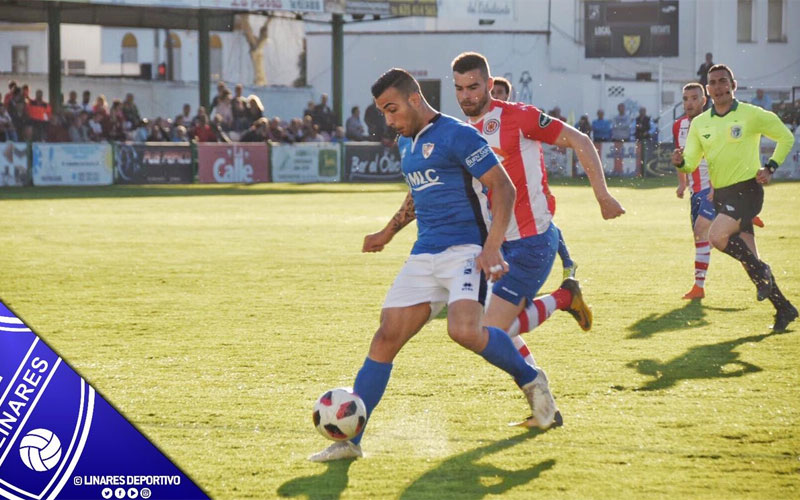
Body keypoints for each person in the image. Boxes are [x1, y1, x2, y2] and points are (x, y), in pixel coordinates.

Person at [310, 68, 556, 462]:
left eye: (392, 110)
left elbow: (503, 186)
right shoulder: (407, 143)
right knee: (386, 337)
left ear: (414, 98)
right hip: (425, 254)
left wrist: (492, 247)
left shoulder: (459, 134)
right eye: (382, 113)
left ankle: (532, 381)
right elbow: (418, 195)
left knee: (464, 332)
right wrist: (387, 233)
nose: (388, 120)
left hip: (465, 251)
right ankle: (349, 441)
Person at [450, 52, 625, 427]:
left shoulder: (518, 116)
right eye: (459, 88)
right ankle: (544, 408)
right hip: (496, 245)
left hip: (530, 243)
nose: (466, 95)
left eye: (473, 86)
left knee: (489, 332)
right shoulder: (461, 132)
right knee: (488, 329)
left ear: (489, 82)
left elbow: (580, 140)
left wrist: (603, 195)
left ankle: (563, 301)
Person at [672, 64, 797, 331]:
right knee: (749, 260)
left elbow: (785, 137)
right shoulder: (700, 124)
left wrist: (771, 166)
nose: (718, 87)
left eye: (723, 81)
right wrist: (681, 163)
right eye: (713, 83)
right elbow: (691, 162)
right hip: (723, 195)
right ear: (708, 89)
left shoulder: (751, 115)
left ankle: (762, 269)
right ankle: (784, 308)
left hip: (748, 190)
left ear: (733, 85)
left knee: (716, 237)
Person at [488, 70, 580, 280]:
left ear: (507, 95)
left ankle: (567, 262)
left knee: (543, 224)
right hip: (502, 191)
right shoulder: (481, 122)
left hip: (528, 188)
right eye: (493, 92)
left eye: (499, 92)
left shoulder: (518, 116)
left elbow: (568, 138)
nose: (495, 96)